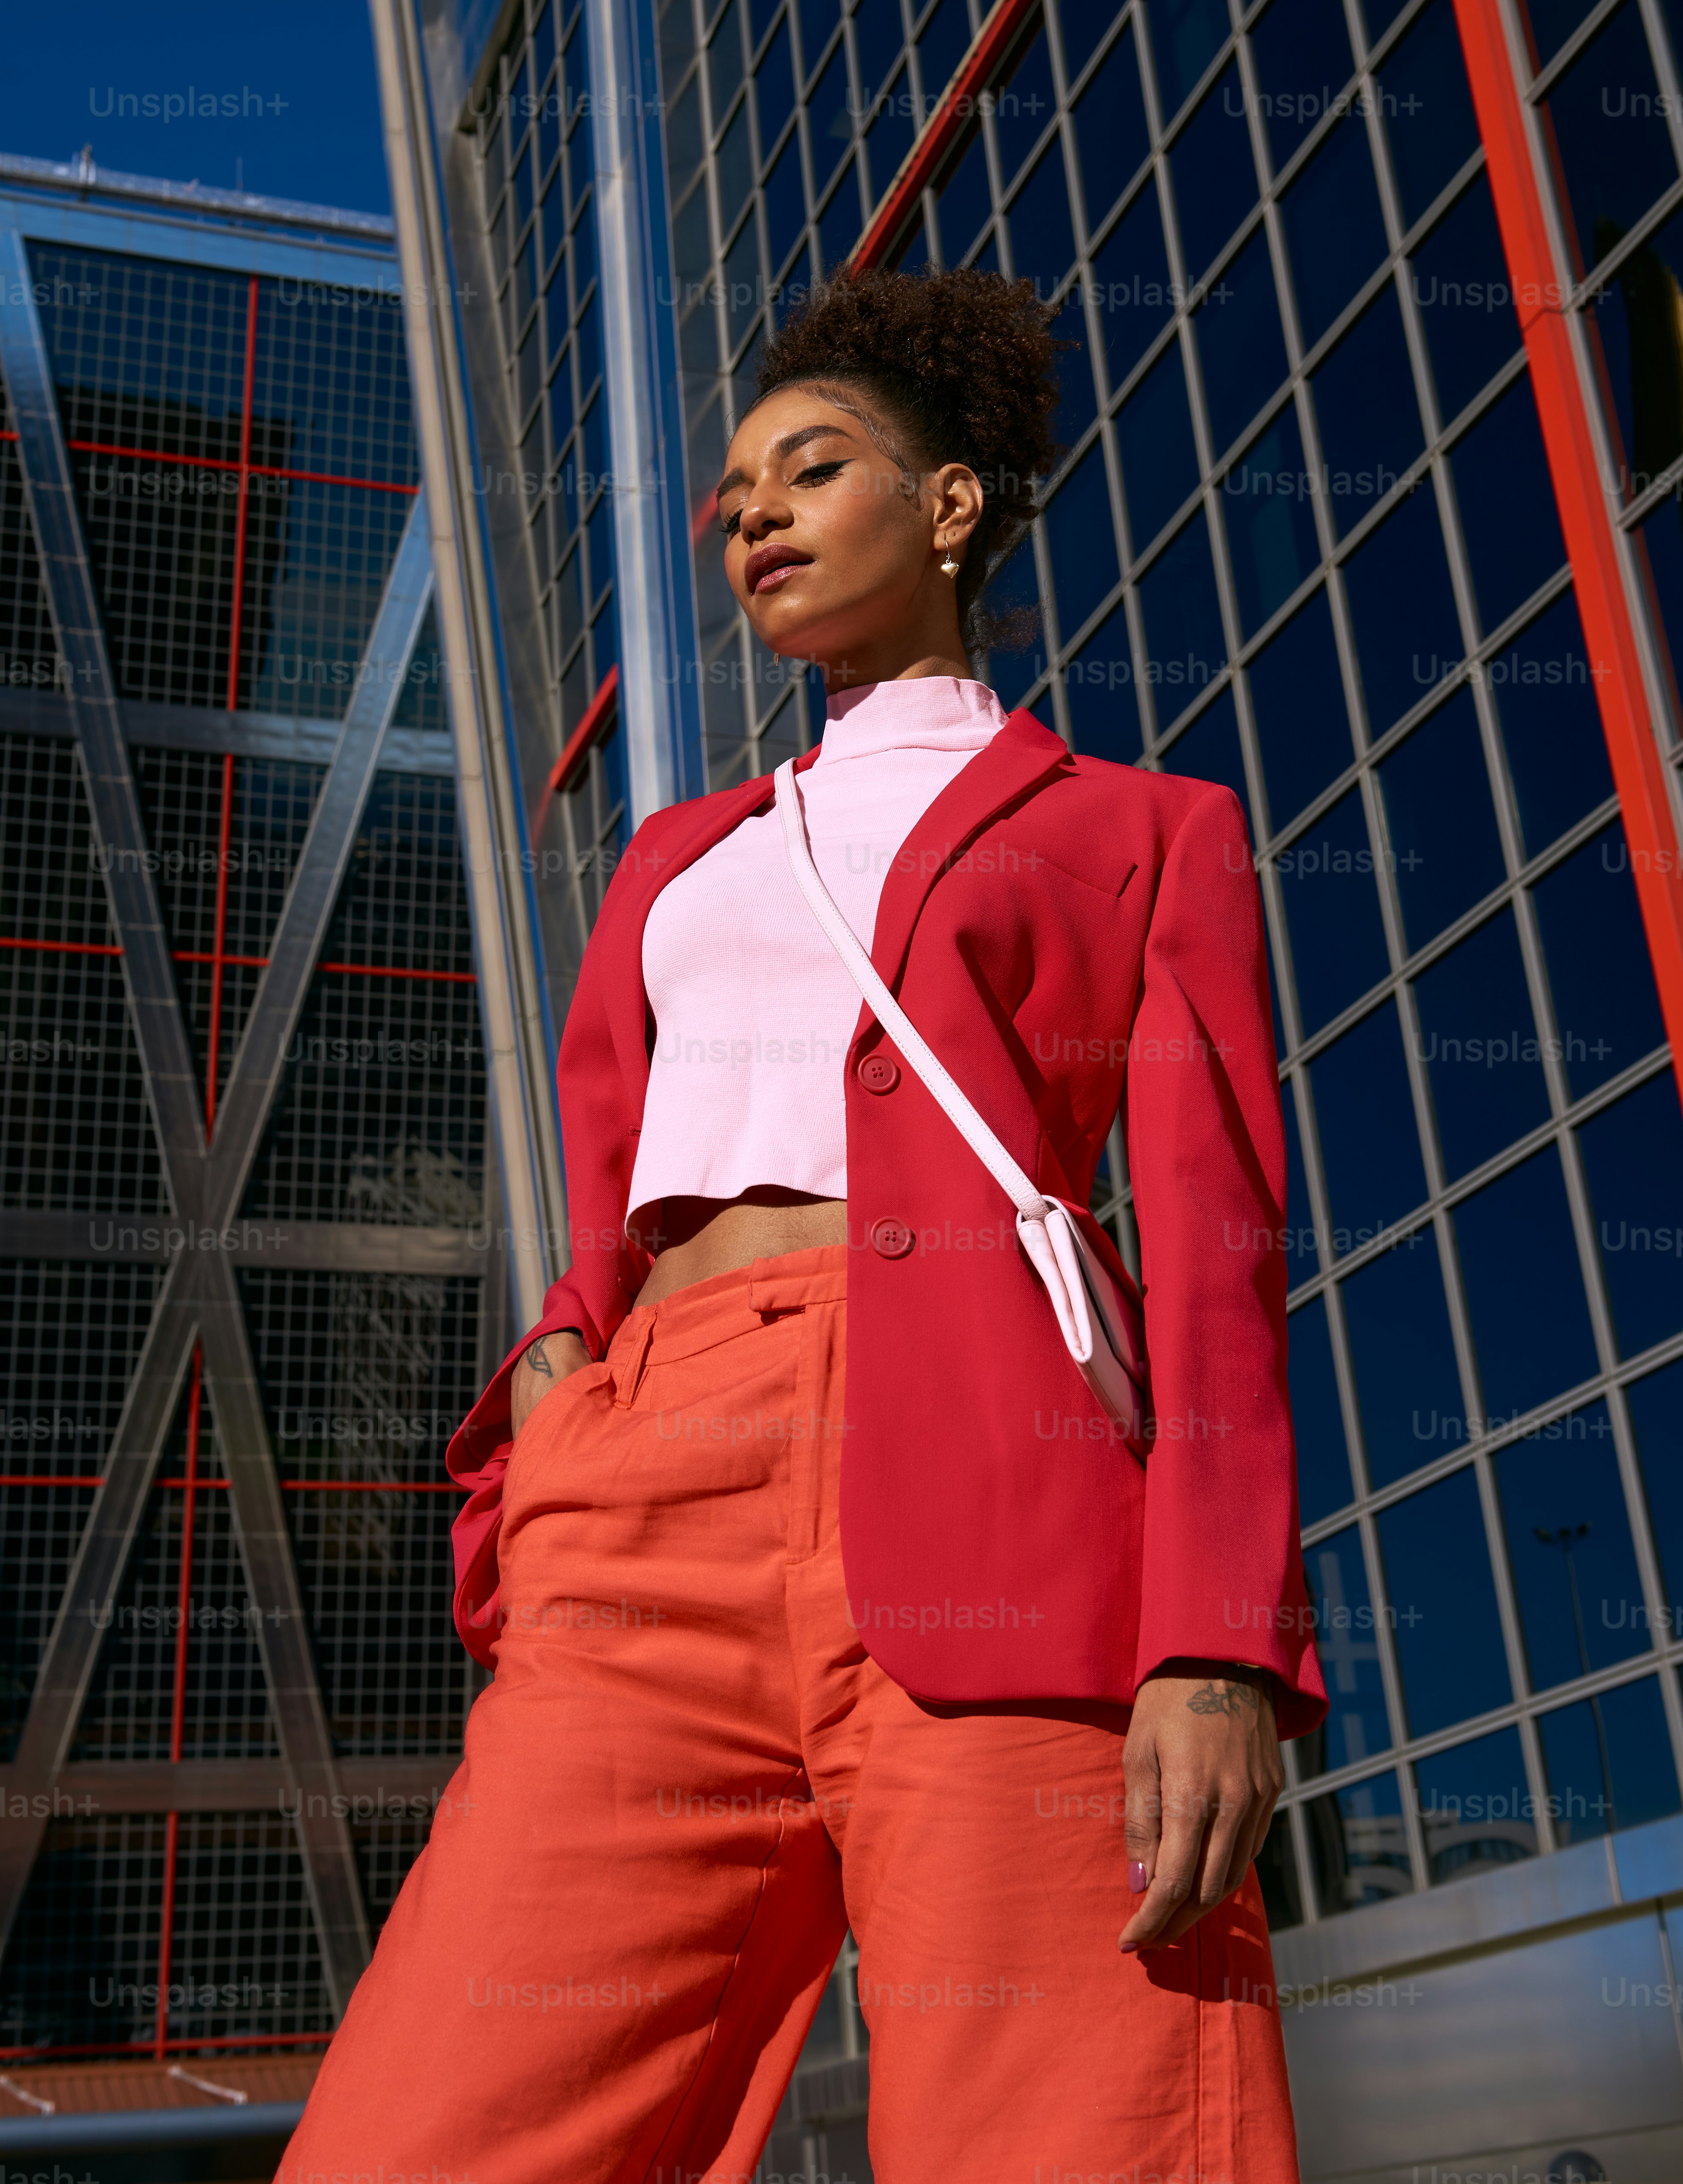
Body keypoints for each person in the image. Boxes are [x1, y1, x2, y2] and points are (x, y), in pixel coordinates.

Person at [279, 266, 1326, 2184]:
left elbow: (1213, 1252)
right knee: (428, 2127)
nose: (751, 511)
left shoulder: (1143, 828)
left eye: (811, 468)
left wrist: (1219, 1640)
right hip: (647, 1493)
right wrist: (561, 1396)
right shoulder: (683, 852)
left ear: (950, 509)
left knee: (1065, 2137)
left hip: (999, 1483)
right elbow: (602, 1191)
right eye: (736, 489)